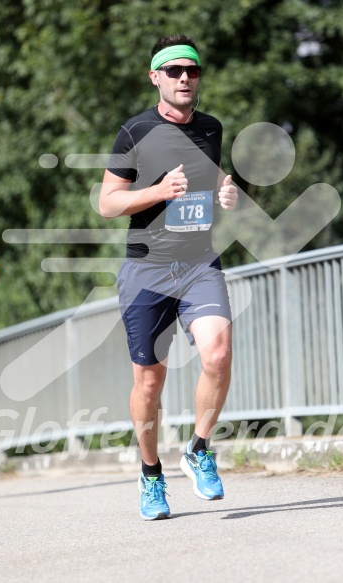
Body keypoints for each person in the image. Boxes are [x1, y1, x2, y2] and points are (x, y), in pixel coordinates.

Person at [99, 34, 238, 520]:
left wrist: (225, 191)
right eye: (174, 70)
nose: (184, 78)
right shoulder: (133, 132)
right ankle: (151, 474)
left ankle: (199, 448)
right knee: (150, 383)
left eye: (192, 71)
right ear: (155, 76)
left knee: (217, 354)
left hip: (199, 262)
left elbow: (211, 174)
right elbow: (108, 203)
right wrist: (156, 191)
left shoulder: (212, 127)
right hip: (147, 270)